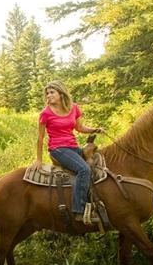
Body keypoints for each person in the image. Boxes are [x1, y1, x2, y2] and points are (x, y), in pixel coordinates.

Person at [31, 81, 102, 223]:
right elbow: (40, 138)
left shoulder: (74, 108)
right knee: (84, 169)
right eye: (47, 93)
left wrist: (95, 129)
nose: (48, 95)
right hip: (58, 149)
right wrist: (39, 159)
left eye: (52, 92)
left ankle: (96, 202)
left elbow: (80, 128)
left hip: (73, 147)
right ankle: (79, 211)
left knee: (98, 161)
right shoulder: (45, 113)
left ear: (61, 93)